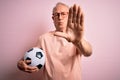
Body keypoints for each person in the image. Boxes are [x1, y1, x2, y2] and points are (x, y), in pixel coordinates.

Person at [17, 2, 92, 80]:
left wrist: (77, 42)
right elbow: (27, 59)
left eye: (63, 14)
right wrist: (20, 64)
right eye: (57, 14)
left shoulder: (76, 37)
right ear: (53, 18)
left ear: (70, 16)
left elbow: (88, 52)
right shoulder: (44, 38)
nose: (60, 17)